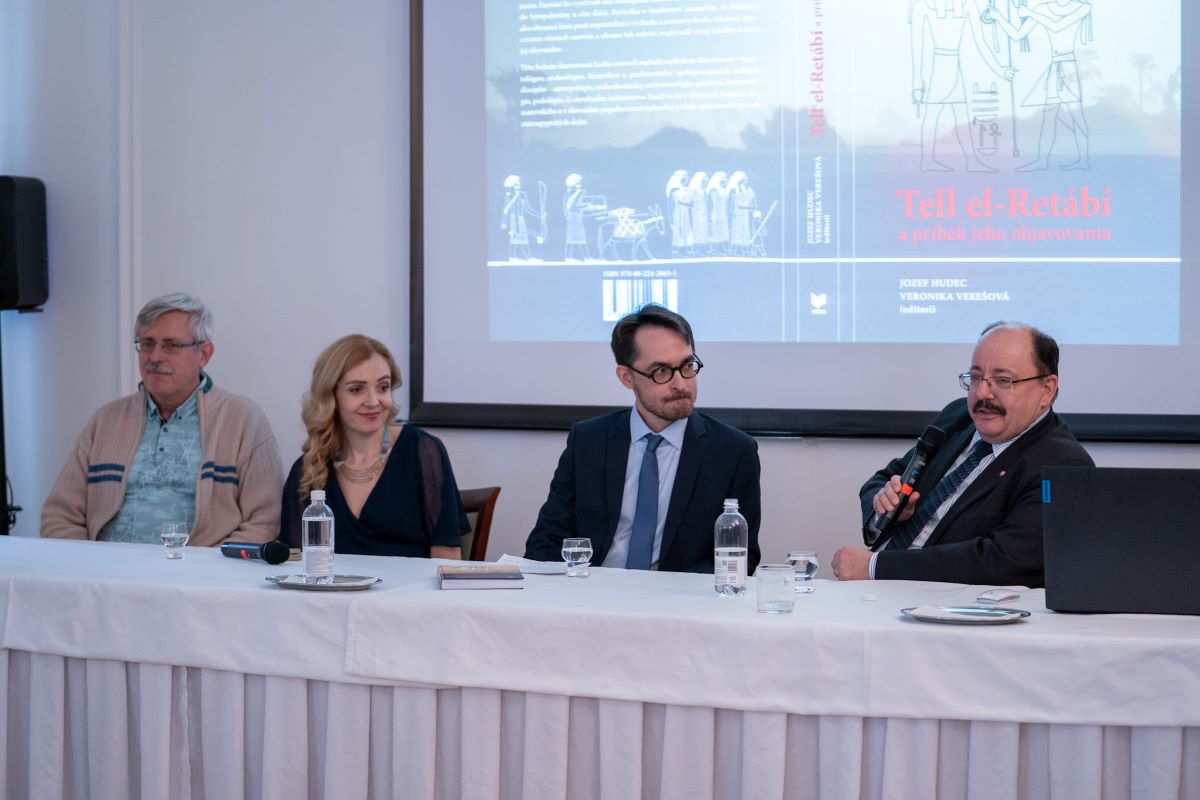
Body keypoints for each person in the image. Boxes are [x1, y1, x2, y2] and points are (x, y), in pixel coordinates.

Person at [831, 322, 1093, 587]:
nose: (982, 393)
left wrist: (875, 567)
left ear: (1047, 389)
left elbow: (1004, 561)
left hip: (940, 602)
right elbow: (884, 478)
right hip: (876, 588)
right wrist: (888, 506)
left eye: (1003, 381)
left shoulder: (1064, 464)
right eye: (976, 377)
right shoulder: (958, 417)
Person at [524, 305, 762, 573]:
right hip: (594, 588)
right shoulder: (589, 441)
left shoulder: (733, 451)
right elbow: (547, 540)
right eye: (661, 371)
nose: (681, 384)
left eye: (687, 366)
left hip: (677, 594)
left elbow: (739, 558)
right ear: (627, 377)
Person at [41, 292, 283, 545]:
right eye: (147, 343)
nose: (155, 357)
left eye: (171, 345)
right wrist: (87, 564)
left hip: (201, 568)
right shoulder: (105, 421)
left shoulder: (243, 420)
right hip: (105, 568)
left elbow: (263, 523)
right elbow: (59, 516)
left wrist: (206, 566)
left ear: (204, 354)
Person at [280, 334, 468, 558]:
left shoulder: (424, 451)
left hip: (409, 583)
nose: (373, 401)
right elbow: (294, 563)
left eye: (383, 387)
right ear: (331, 397)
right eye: (356, 389)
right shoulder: (307, 469)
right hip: (330, 583)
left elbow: (447, 557)